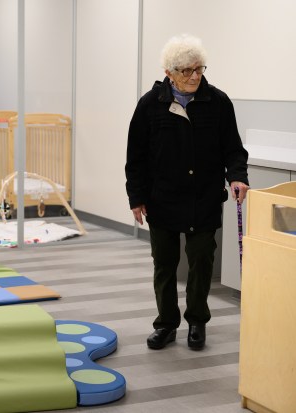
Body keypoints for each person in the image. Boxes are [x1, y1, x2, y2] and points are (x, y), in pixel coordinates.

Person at [125, 34, 249, 351]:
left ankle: (197, 321)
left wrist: (237, 177)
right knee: (164, 265)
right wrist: (136, 197)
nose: (195, 76)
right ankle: (166, 324)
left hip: (204, 198)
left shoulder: (218, 102)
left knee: (201, 261)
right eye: (186, 71)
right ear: (169, 73)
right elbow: (136, 157)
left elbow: (234, 149)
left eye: (199, 68)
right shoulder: (150, 105)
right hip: (162, 198)